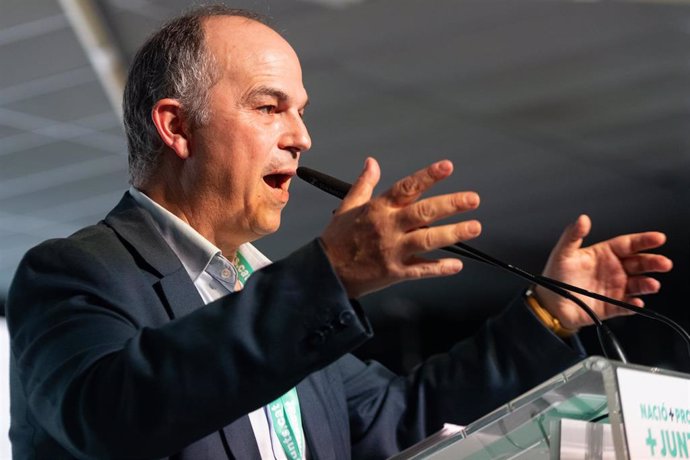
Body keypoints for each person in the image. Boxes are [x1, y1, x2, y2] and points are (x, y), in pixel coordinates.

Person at [6, 5, 672, 460]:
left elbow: (401, 421)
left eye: (299, 111)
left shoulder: (268, 297)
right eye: (269, 108)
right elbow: (111, 417)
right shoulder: (73, 274)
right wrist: (328, 275)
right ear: (177, 128)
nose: (301, 138)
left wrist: (546, 317)